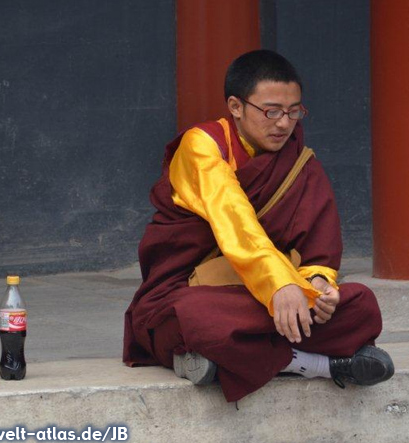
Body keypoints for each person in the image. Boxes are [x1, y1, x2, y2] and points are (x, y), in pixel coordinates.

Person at [123, 49, 394, 402]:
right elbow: (234, 220)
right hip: (192, 289)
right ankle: (313, 364)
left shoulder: (300, 163)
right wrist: (280, 285)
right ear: (236, 106)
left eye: (293, 111)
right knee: (200, 317)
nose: (284, 123)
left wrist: (318, 286)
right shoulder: (203, 146)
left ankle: (225, 360)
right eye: (271, 111)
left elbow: (319, 251)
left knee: (361, 304)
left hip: (267, 296)